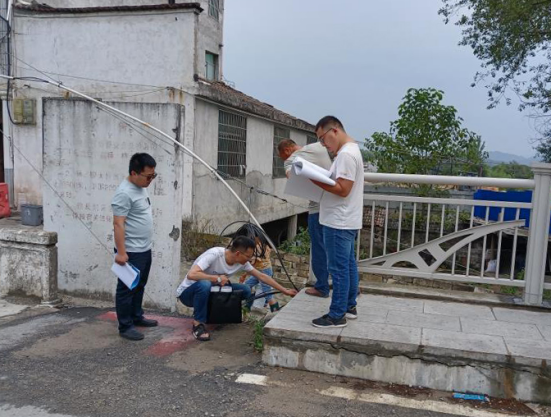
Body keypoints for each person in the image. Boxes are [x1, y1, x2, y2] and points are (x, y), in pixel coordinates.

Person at [176, 236, 297, 341]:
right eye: (248, 256)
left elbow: (262, 276)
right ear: (238, 253)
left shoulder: (242, 263)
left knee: (245, 290)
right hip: (188, 294)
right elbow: (192, 274)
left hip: (212, 292)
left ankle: (218, 315)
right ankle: (198, 324)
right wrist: (217, 278)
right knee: (204, 284)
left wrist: (285, 291)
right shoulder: (215, 254)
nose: (250, 260)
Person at [309, 116, 364, 328]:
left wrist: (314, 180)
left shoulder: (346, 155)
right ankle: (349, 306)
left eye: (323, 138)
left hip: (338, 221)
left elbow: (343, 189)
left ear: (334, 131)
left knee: (338, 269)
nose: (323, 144)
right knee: (348, 265)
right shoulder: (351, 150)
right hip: (346, 219)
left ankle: (336, 315)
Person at [111, 153, 159, 341]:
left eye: (153, 176)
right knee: (126, 289)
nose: (151, 180)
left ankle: (136, 316)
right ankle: (125, 326)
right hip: (130, 251)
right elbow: (118, 223)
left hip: (144, 248)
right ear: (134, 173)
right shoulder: (124, 193)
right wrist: (121, 253)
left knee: (140, 285)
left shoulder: (140, 187)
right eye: (148, 176)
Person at [277, 139, 332, 298]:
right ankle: (349, 286)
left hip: (317, 208)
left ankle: (322, 286)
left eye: (282, 156)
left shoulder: (292, 158)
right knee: (337, 247)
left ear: (287, 150)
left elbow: (291, 176)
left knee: (319, 248)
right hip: (335, 206)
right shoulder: (319, 148)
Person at [239, 237, 280, 313]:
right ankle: (247, 306)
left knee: (267, 292)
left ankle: (275, 311)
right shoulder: (263, 246)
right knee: (247, 285)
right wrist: (245, 274)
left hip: (264, 271)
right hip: (260, 270)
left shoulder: (257, 248)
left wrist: (245, 274)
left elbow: (253, 263)